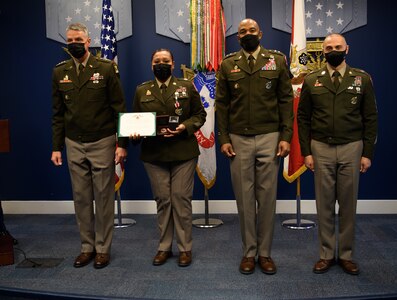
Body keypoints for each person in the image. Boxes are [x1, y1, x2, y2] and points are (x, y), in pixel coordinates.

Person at [216, 19, 293, 275]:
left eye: (251, 31)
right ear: (237, 37)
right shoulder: (228, 64)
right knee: (245, 199)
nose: (247, 35)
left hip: (271, 136)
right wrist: (224, 138)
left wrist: (286, 136)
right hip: (238, 138)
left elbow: (285, 100)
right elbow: (222, 105)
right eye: (242, 32)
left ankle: (265, 253)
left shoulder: (277, 60)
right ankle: (249, 252)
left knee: (267, 198)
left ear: (260, 34)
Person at [297, 33, 378, 275]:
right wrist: (306, 153)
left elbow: (371, 118)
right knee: (323, 205)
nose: (334, 50)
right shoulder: (312, 80)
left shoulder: (361, 79)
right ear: (323, 51)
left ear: (347, 49)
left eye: (338, 47)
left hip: (352, 147)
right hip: (320, 147)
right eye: (329, 47)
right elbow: (302, 118)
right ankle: (325, 254)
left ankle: (345, 255)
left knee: (347, 204)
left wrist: (367, 153)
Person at [51, 23, 127, 269]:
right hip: (73, 142)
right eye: (70, 39)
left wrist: (121, 144)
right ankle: (87, 247)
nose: (74, 43)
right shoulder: (59, 72)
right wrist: (56, 147)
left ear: (88, 40)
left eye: (79, 39)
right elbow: (57, 113)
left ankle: (103, 248)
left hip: (102, 141)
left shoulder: (105, 68)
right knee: (81, 198)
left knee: (103, 196)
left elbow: (119, 108)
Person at [131, 49, 206, 267]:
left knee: (181, 199)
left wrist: (185, 126)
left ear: (173, 64)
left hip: (183, 152)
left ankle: (185, 248)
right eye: (157, 61)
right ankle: (164, 247)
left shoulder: (186, 86)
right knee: (163, 201)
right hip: (154, 155)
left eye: (165, 61)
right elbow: (135, 120)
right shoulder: (142, 90)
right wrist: (135, 134)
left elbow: (200, 115)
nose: (161, 64)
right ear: (151, 64)